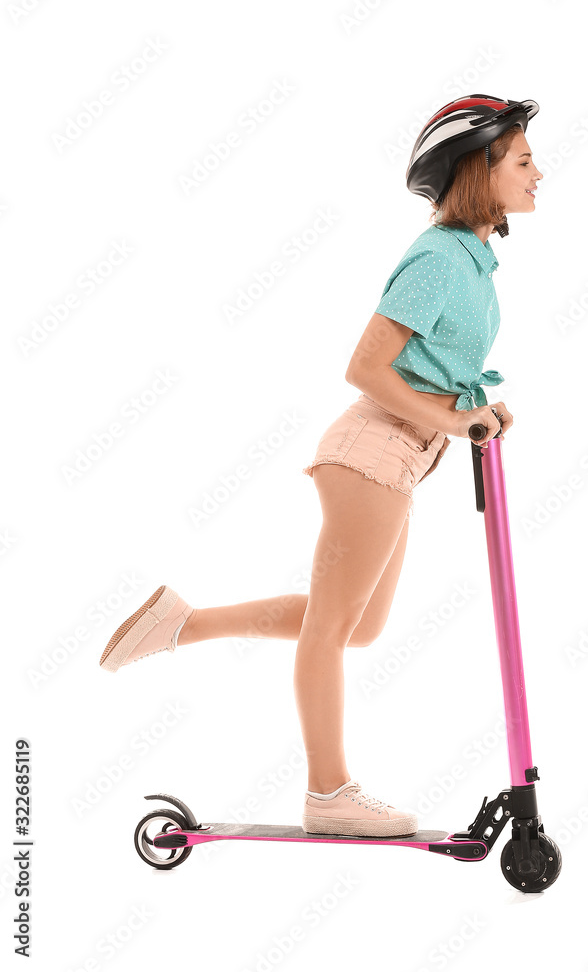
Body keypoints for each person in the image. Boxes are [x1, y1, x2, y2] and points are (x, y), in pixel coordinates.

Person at [98, 94, 543, 840]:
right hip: (371, 454)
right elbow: (365, 368)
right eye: (523, 160)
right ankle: (328, 791)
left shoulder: (470, 258)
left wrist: (477, 409)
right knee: (333, 627)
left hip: (401, 459)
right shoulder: (437, 257)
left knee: (354, 627)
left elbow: (432, 368)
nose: (538, 173)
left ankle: (179, 624)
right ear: (479, 169)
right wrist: (450, 417)